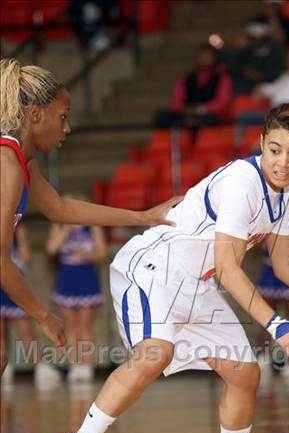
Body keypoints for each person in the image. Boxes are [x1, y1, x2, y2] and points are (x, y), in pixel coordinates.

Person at [53, 103, 289, 433]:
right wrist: (279, 327)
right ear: (261, 144)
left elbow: (287, 265)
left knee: (245, 373)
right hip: (154, 268)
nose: (282, 162)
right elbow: (228, 268)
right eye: (274, 150)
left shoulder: (287, 197)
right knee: (154, 354)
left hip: (198, 284)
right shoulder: (243, 180)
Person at [0, 58, 181, 374]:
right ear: (34, 116)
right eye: (62, 117)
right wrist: (43, 316)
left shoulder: (21, 160)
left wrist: (143, 217)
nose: (67, 128)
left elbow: (61, 208)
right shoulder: (7, 166)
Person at [46, 211, 107, 383]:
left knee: (85, 326)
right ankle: (75, 365)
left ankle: (87, 367)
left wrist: (86, 254)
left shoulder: (93, 227)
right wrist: (65, 229)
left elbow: (102, 253)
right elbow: (51, 249)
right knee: (71, 327)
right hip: (67, 277)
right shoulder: (59, 226)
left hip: (86, 276)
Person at [0, 225, 53, 385]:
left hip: (17, 290)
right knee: (1, 335)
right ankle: (5, 370)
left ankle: (41, 367)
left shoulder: (18, 232)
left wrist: (21, 237)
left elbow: (26, 258)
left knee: (27, 332)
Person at [154, 43, 233, 129]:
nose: (205, 59)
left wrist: (199, 109)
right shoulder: (186, 78)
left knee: (210, 119)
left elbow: (222, 103)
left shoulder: (222, 78)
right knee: (161, 116)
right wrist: (183, 110)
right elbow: (176, 101)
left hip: (207, 115)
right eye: (202, 56)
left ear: (214, 58)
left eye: (208, 56)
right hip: (185, 114)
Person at [227, 19, 288, 94]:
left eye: (256, 38)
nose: (253, 41)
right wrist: (245, 71)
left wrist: (260, 75)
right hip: (247, 84)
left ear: (264, 37)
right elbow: (232, 67)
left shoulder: (277, 49)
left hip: (272, 83)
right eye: (251, 38)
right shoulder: (246, 49)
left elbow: (281, 70)